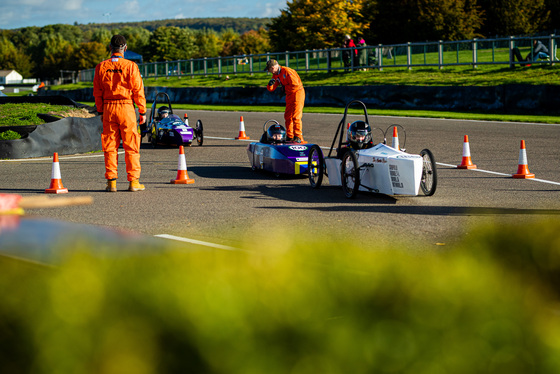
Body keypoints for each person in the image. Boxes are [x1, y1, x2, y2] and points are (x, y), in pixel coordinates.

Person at [93, 34, 147, 192]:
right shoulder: (131, 66)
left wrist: (101, 110)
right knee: (132, 146)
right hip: (127, 109)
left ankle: (112, 183)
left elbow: (97, 92)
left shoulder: (101, 67)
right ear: (126, 48)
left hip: (109, 108)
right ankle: (134, 182)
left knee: (110, 146)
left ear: (110, 48)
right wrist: (142, 111)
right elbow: (138, 90)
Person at [265, 59, 306, 143]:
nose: (269, 71)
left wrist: (284, 87)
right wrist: (269, 85)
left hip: (297, 93)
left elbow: (295, 84)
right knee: (287, 116)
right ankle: (290, 136)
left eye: (269, 69)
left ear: (273, 68)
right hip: (289, 95)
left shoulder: (287, 71)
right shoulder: (276, 75)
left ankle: (298, 136)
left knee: (296, 116)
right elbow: (272, 89)